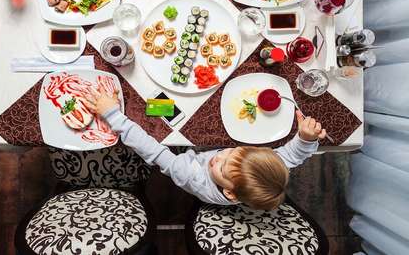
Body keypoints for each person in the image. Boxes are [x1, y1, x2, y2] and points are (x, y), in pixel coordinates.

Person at [87, 86, 327, 210]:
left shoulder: (190, 175)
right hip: (211, 157)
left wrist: (114, 116)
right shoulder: (266, 167)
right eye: (232, 152)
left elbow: (154, 151)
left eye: (222, 169)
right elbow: (292, 156)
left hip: (186, 159)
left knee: (155, 116)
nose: (219, 158)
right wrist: (306, 139)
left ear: (230, 194)